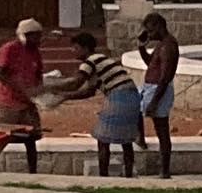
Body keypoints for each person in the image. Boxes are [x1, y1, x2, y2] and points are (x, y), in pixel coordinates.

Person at [57, 31, 142, 177]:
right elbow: (89, 91)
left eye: (76, 48)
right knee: (126, 140)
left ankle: (103, 177)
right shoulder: (102, 59)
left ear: (85, 48)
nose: (73, 51)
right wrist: (65, 97)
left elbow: (76, 83)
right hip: (132, 96)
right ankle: (128, 175)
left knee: (103, 139)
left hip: (119, 96)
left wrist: (53, 89)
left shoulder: (90, 62)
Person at [0, 16, 44, 174]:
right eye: (36, 36)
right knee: (0, 139)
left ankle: (33, 173)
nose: (39, 40)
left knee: (31, 138)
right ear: (26, 35)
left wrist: (38, 92)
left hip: (28, 103)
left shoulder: (35, 52)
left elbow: (38, 74)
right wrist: (19, 88)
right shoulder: (9, 49)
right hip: (9, 102)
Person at [136, 11, 180, 179]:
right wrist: (141, 47)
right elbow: (151, 63)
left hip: (158, 90)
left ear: (159, 27)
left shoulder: (168, 46)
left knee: (162, 130)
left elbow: (165, 76)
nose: (149, 34)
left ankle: (165, 170)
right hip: (150, 88)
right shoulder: (161, 44)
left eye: (151, 31)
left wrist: (155, 101)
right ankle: (140, 138)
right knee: (134, 108)